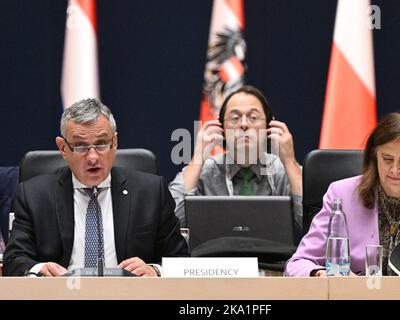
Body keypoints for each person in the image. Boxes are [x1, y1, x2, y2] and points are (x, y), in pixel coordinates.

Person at [3, 98, 188, 277]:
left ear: (114, 143)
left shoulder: (151, 192)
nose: (92, 157)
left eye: (101, 144)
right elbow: (14, 260)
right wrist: (40, 268)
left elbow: (179, 260)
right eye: (81, 146)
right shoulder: (34, 195)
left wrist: (154, 270)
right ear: (63, 148)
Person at [286, 110, 400, 277]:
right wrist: (323, 275)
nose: (394, 169)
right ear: (374, 154)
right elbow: (297, 264)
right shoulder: (341, 196)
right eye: (387, 159)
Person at [169, 85, 303, 231]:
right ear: (221, 129)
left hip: (277, 254)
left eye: (253, 117)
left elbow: (312, 225)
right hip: (215, 254)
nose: (244, 124)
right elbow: (171, 223)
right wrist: (197, 159)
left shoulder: (283, 170)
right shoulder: (205, 171)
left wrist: (290, 162)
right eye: (235, 118)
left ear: (268, 127)